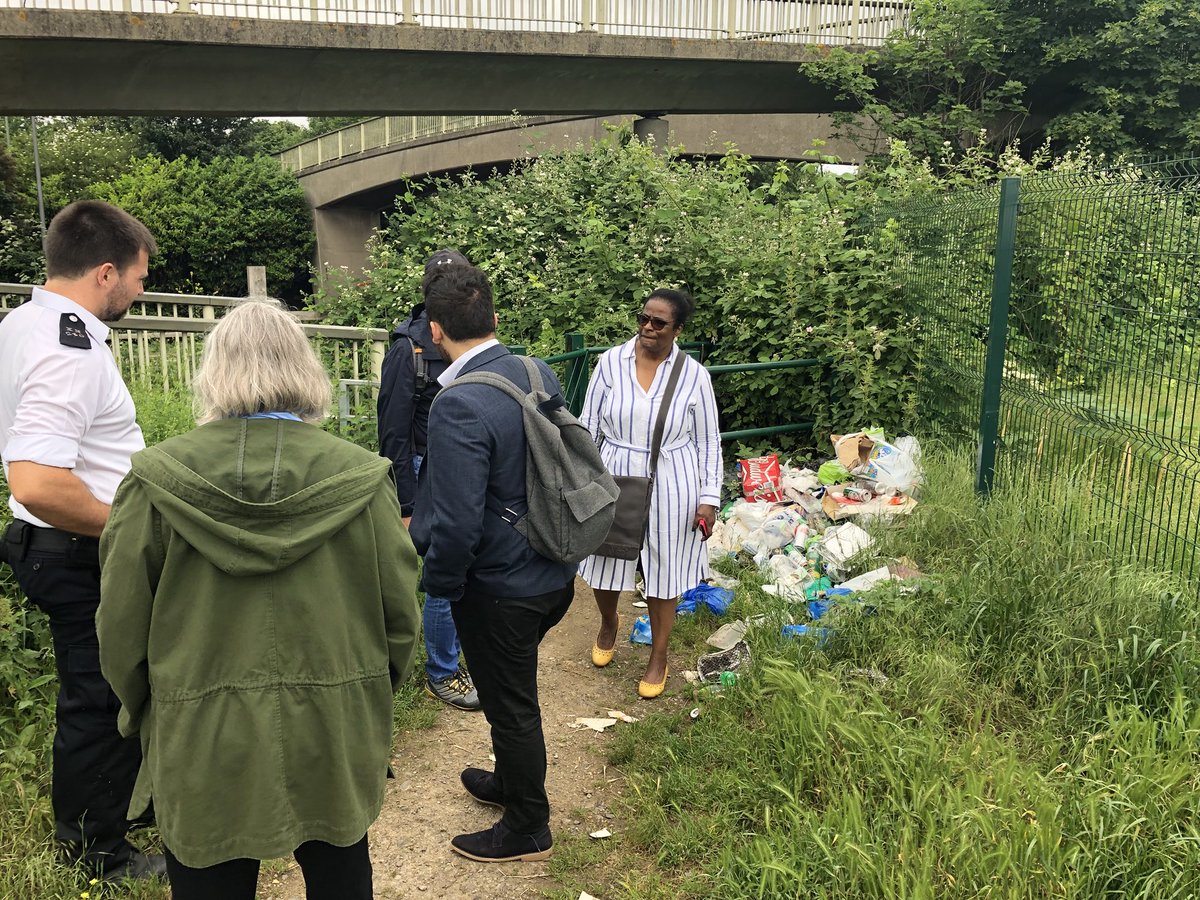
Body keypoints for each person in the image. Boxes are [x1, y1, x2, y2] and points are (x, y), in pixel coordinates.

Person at [95, 299, 421, 899]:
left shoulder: (153, 482)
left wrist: (152, 711)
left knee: (208, 879)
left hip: (199, 727)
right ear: (306, 371)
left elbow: (119, 629)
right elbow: (401, 620)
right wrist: (364, 694)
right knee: (342, 877)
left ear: (213, 373)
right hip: (334, 720)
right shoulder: (363, 480)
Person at [0, 200, 163, 880]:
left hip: (59, 547)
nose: (141, 289)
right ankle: (98, 851)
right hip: (78, 550)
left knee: (105, 686)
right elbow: (38, 482)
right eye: (138, 276)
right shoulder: (68, 348)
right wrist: (127, 525)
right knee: (102, 697)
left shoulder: (27, 322)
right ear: (105, 272)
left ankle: (116, 810)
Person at [409, 263, 575, 863]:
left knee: (511, 705)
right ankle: (509, 783)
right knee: (514, 692)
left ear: (434, 331)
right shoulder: (536, 371)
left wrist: (444, 588)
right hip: (552, 568)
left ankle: (529, 824)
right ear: (495, 319)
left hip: (501, 588)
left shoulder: (458, 404)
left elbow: (454, 524)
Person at [578, 288, 722, 698]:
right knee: (604, 557)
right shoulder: (610, 363)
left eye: (659, 323)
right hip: (614, 472)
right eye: (643, 318)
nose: (647, 327)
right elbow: (588, 426)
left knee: (664, 568)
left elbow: (709, 441)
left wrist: (709, 498)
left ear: (677, 330)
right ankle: (609, 623)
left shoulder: (694, 376)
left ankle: (658, 655)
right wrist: (583, 478)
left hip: (673, 478)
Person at [378, 248, 480, 712]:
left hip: (461, 463)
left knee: (461, 560)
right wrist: (404, 502)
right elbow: (393, 430)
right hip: (423, 467)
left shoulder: (467, 338)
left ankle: (454, 653)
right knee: (443, 566)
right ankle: (441, 672)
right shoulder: (410, 348)